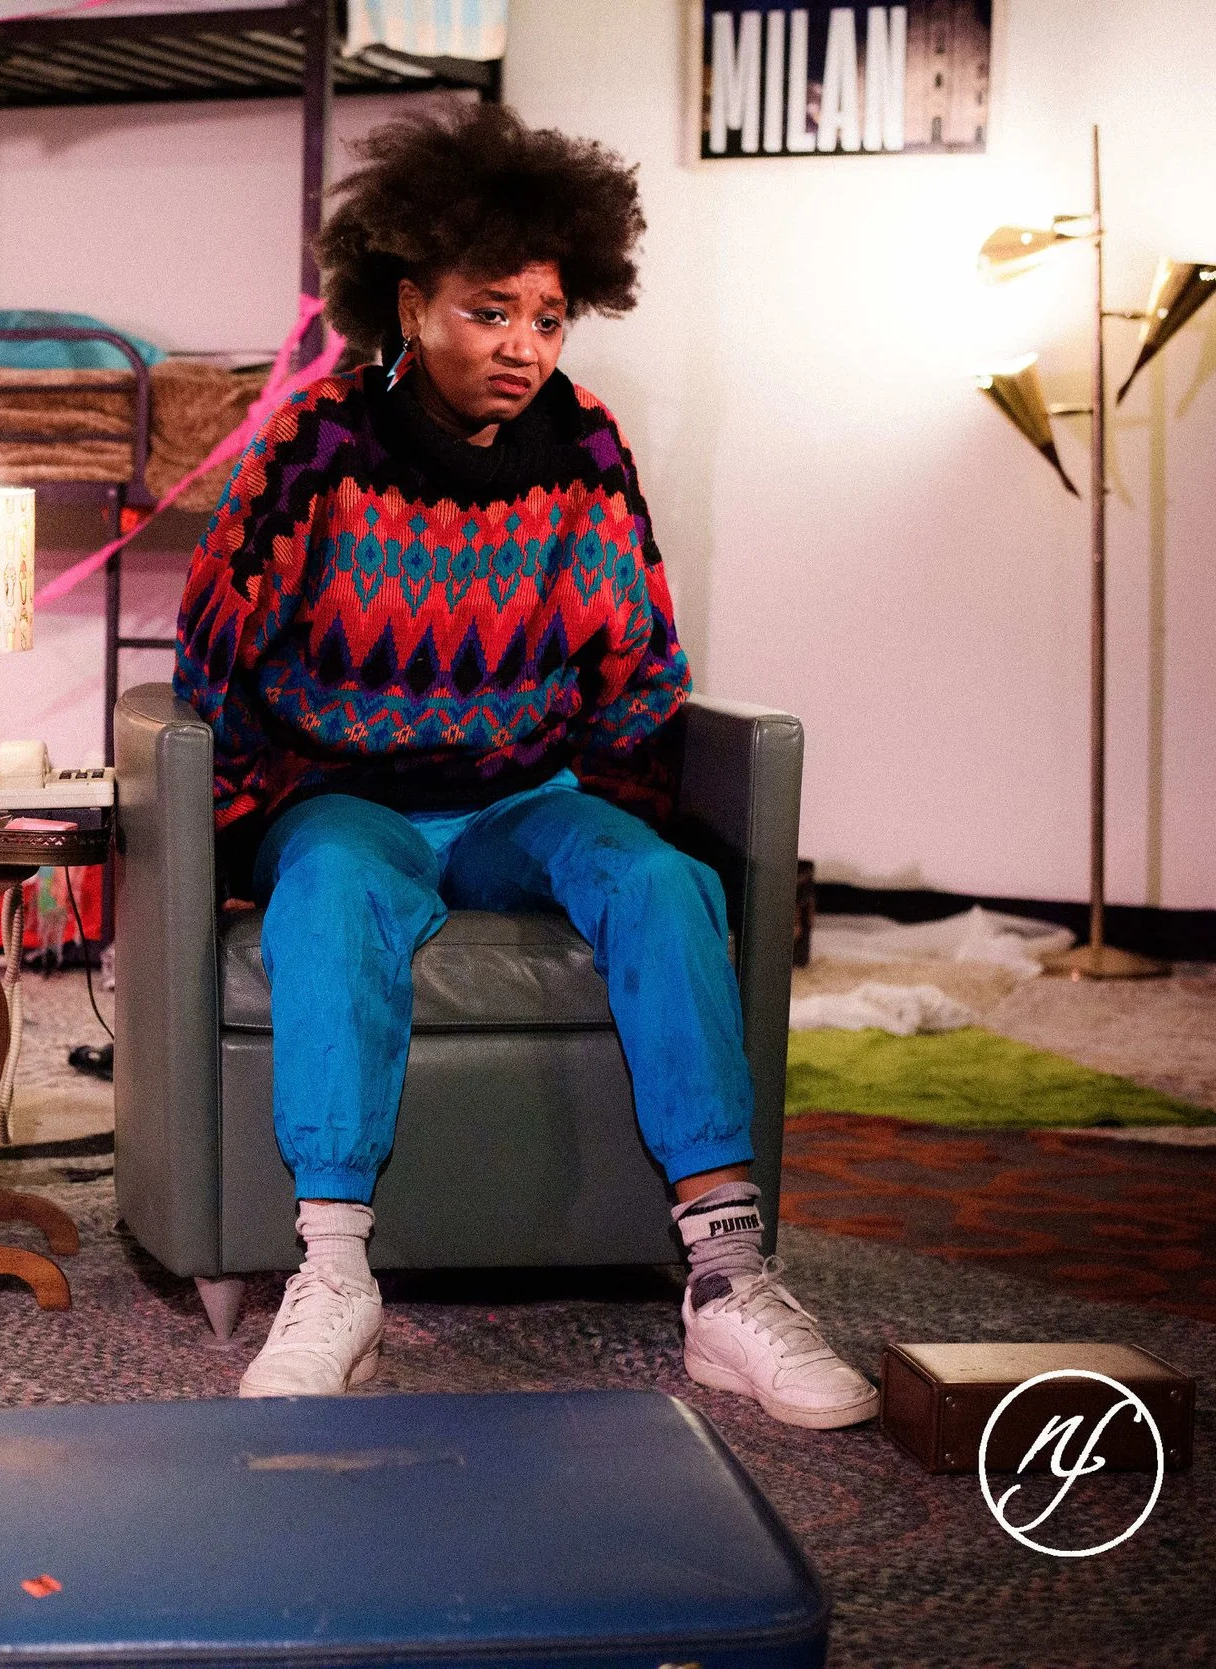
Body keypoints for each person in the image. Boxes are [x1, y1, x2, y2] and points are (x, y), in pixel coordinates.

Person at [173, 104, 877, 1429]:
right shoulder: (318, 442)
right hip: (353, 802)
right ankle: (333, 1281)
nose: (523, 347)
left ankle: (727, 1280)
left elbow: (636, 648)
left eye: (548, 319)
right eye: (490, 312)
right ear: (407, 302)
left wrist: (609, 821)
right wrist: (226, 830)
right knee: (326, 891)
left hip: (523, 800)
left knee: (666, 887)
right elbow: (220, 645)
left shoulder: (585, 444)